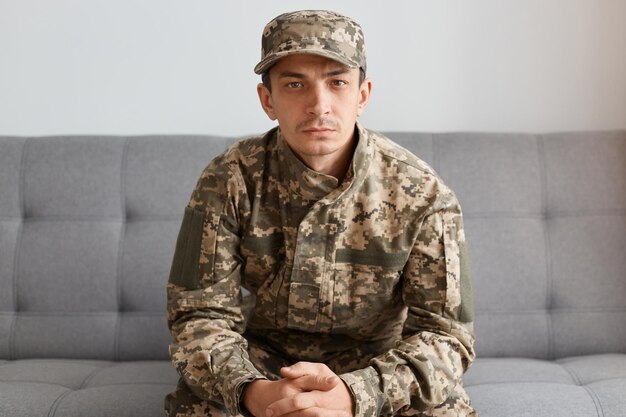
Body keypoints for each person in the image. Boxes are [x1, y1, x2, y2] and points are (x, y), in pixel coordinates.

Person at [165, 9, 476, 417]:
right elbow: (197, 315)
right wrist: (253, 392)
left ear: (362, 95)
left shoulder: (422, 193)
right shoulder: (229, 179)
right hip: (262, 366)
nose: (319, 105)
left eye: (338, 83)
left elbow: (447, 336)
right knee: (198, 407)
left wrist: (354, 395)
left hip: (379, 367)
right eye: (295, 84)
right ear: (267, 100)